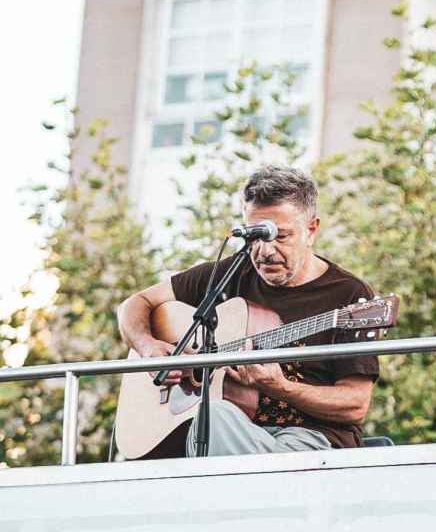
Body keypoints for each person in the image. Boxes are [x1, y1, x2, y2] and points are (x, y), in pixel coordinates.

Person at [117, 164, 379, 456]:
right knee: (213, 417)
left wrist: (280, 387)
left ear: (311, 230)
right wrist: (148, 347)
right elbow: (135, 304)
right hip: (229, 431)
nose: (266, 251)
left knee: (213, 418)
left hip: (309, 440)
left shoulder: (350, 295)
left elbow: (355, 405)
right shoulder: (228, 274)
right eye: (256, 237)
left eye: (281, 236)